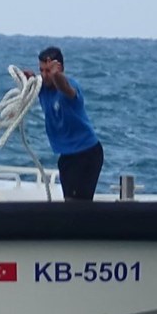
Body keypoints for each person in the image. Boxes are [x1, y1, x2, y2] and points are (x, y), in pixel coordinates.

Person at [26, 47, 104, 201]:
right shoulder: (42, 88)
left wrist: (57, 76)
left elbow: (66, 88)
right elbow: (32, 85)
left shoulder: (69, 86)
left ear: (59, 68)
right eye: (41, 70)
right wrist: (27, 78)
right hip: (66, 155)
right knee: (70, 203)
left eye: (48, 71)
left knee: (77, 205)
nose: (44, 75)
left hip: (86, 153)